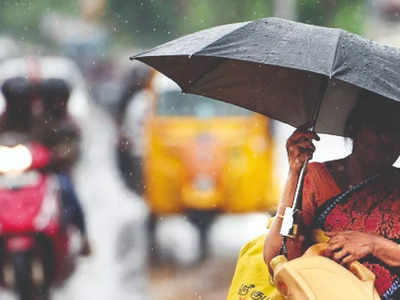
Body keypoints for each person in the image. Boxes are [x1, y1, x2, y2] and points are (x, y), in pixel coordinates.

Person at [263, 90, 400, 299]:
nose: (386, 140)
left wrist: (374, 244)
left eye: (395, 131)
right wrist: (294, 173)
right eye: (377, 129)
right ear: (355, 129)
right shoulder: (317, 179)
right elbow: (277, 257)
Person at [35, 78, 90, 256]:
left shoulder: (69, 123)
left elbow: (74, 149)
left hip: (57, 172)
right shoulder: (34, 119)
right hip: (33, 171)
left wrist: (57, 156)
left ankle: (83, 237)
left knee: (68, 193)